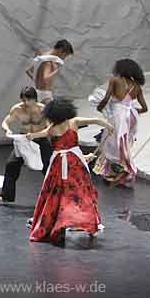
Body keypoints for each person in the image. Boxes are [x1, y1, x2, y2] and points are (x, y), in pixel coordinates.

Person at [29, 98, 113, 245]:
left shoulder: (53, 129)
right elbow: (95, 120)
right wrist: (106, 124)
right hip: (74, 163)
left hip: (59, 164)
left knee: (57, 194)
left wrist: (30, 136)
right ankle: (82, 218)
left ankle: (59, 221)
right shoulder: (73, 122)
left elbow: (41, 134)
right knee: (80, 193)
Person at [92, 59, 148, 186]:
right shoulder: (137, 87)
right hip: (131, 116)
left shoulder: (115, 80)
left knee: (111, 144)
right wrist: (132, 110)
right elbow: (145, 108)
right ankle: (119, 172)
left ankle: (122, 171)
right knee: (124, 144)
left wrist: (100, 108)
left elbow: (106, 98)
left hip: (118, 115)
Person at [0, 87, 53, 203]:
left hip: (40, 139)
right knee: (11, 165)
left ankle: (54, 196)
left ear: (34, 99)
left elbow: (50, 128)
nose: (26, 103)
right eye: (24, 100)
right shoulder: (17, 109)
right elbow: (6, 121)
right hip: (24, 140)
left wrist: (37, 135)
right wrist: (7, 130)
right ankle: (6, 195)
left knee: (48, 167)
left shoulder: (43, 109)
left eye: (28, 100)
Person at [25, 39, 74, 104]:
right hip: (45, 96)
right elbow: (46, 79)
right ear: (61, 51)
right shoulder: (48, 62)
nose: (64, 58)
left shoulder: (43, 56)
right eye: (65, 55)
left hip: (38, 92)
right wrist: (58, 70)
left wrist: (37, 82)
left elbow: (28, 70)